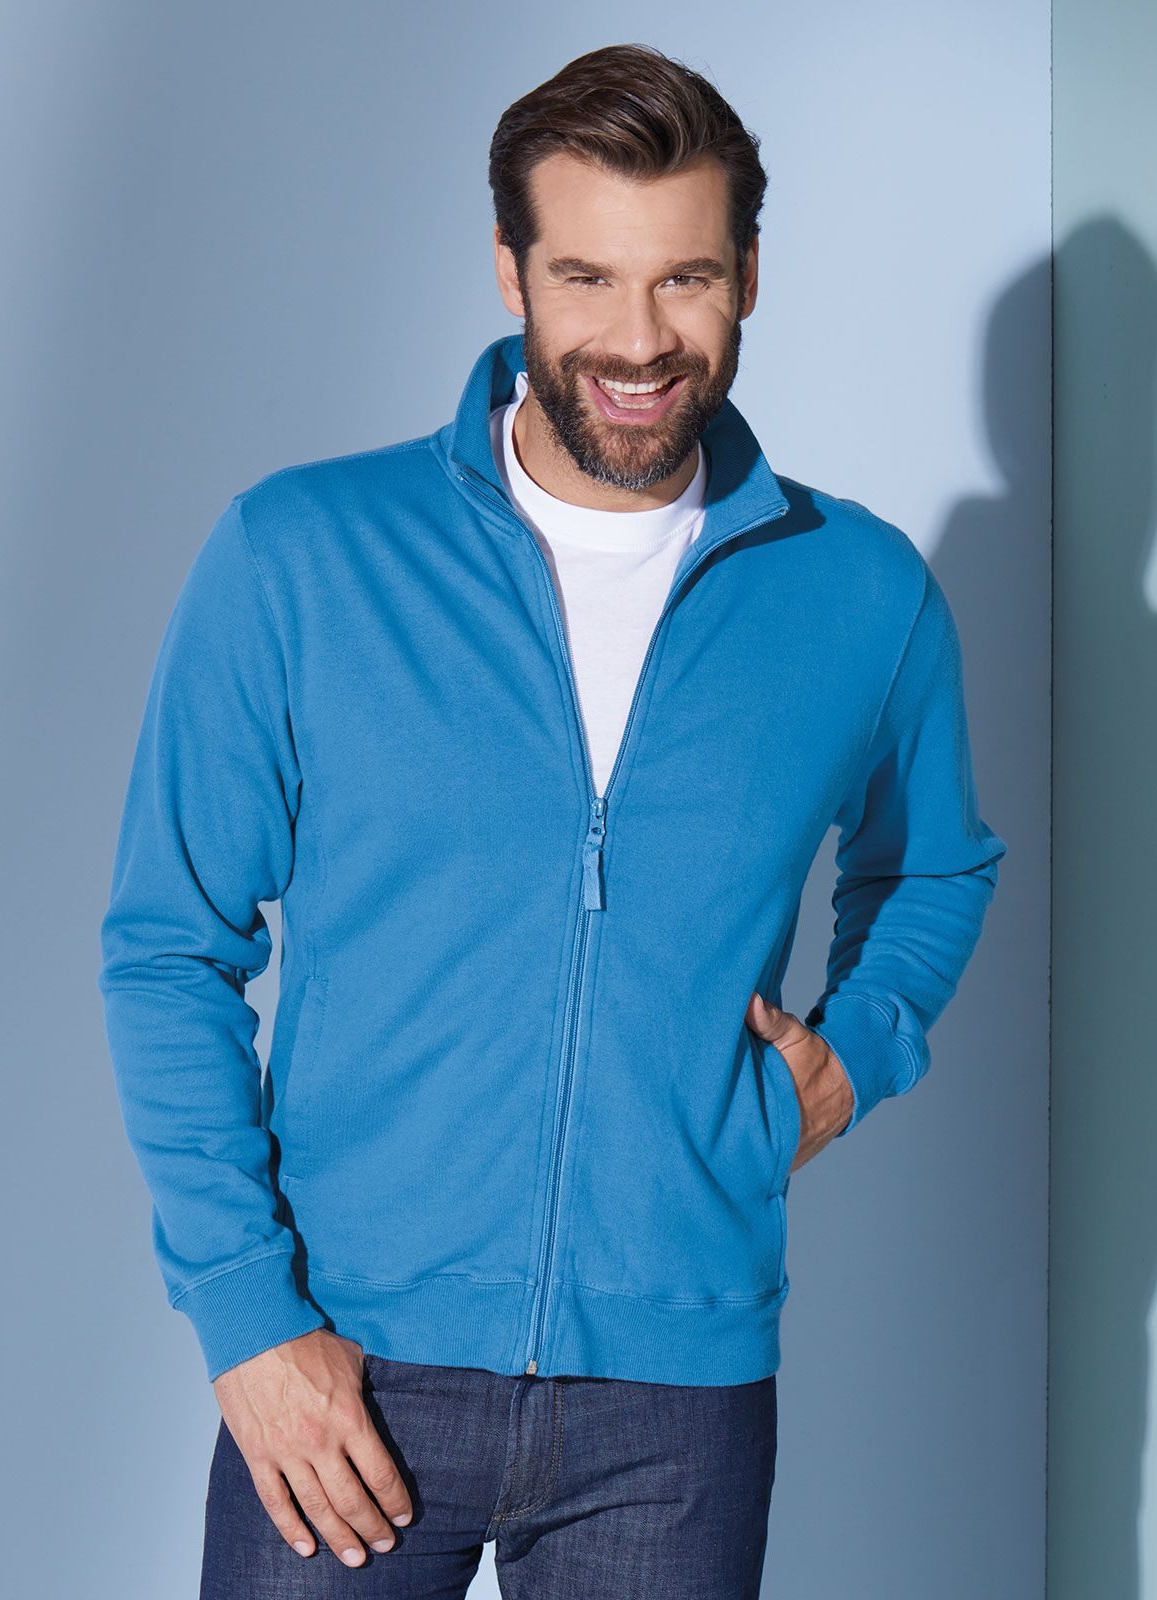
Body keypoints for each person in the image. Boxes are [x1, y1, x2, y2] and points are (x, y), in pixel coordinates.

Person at [98, 42, 1007, 1599]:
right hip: (344, 1369)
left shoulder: (859, 594)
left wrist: (858, 1053)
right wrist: (249, 1323)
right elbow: (169, 948)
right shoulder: (304, 556)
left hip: (677, 1400)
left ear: (750, 278)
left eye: (685, 279)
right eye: (586, 276)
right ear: (510, 270)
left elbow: (935, 866)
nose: (638, 341)